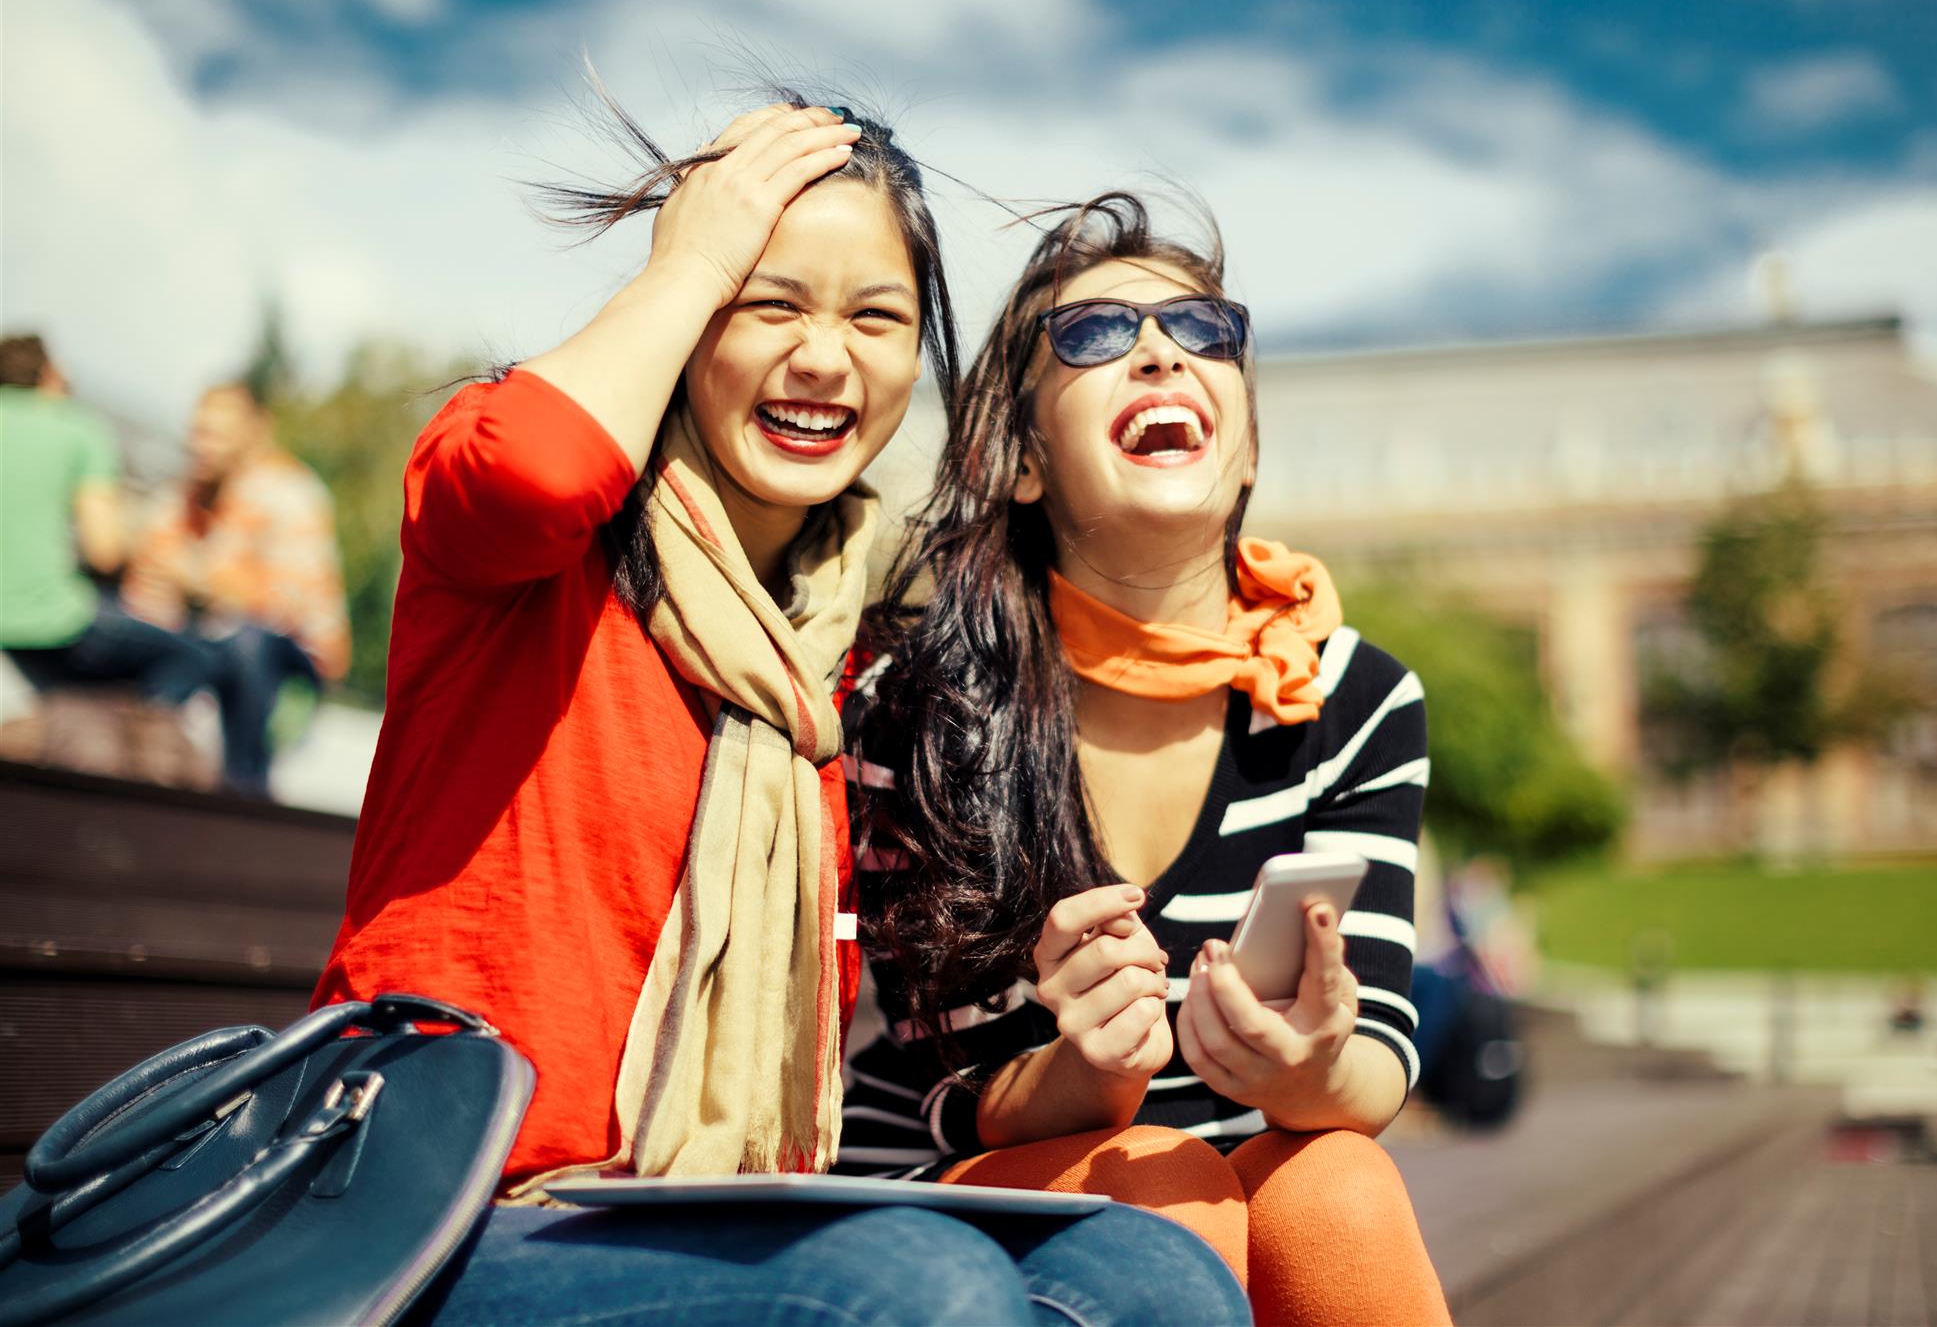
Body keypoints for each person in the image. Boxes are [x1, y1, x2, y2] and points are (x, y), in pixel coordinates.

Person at [310, 102, 1246, 1327]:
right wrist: (693, 256)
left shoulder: (838, 661)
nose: (822, 359)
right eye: (769, 304)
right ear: (690, 322)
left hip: (708, 1226)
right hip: (437, 1216)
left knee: (1154, 1281)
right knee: (915, 1294)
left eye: (874, 318)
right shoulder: (528, 552)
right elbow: (533, 467)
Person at [839, 194, 1450, 1325]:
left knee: (1339, 1189)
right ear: (1021, 461)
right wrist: (1090, 1075)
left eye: (1204, 332)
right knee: (1169, 1201)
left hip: (1224, 1176)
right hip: (947, 1182)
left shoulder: (1351, 698)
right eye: (1094, 337)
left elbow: (1376, 1068)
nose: (1162, 351)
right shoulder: (916, 707)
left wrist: (1307, 1066)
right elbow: (932, 1092)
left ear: (1247, 438)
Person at [122, 381, 350, 796]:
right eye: (197, 431)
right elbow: (146, 580)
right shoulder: (182, 495)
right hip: (210, 643)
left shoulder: (290, 492)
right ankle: (143, 766)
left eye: (216, 434)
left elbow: (289, 608)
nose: (200, 445)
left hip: (289, 664)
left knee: (248, 639)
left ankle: (245, 787)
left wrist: (200, 581)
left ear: (254, 432)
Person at [0, 334, 216, 730]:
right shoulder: (76, 428)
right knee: (192, 658)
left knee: (71, 700)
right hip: (47, 618)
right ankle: (132, 764)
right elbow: (105, 550)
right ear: (50, 378)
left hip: (12, 630)